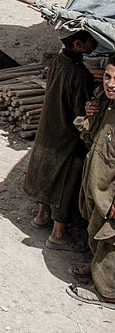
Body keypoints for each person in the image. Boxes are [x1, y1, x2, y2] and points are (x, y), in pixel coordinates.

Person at [24, 29, 98, 252]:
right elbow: (80, 113)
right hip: (67, 135)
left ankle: (42, 214)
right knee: (66, 182)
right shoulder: (81, 75)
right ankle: (58, 233)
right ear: (78, 44)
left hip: (49, 126)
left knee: (46, 172)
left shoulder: (57, 61)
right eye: (91, 42)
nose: (94, 45)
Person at [67, 56, 115, 309]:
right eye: (108, 77)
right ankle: (97, 268)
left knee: (111, 239)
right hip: (98, 185)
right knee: (96, 228)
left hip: (111, 193)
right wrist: (90, 115)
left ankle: (107, 294)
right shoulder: (107, 106)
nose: (111, 84)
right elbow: (92, 137)